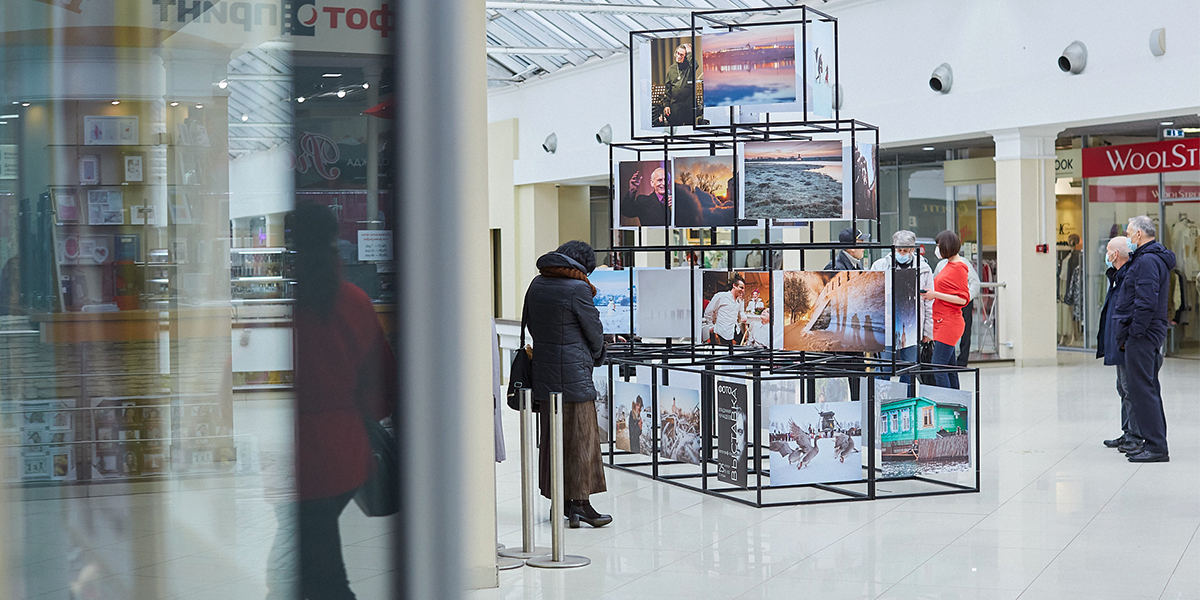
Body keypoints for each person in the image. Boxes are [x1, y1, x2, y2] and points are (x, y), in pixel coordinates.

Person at [273, 202, 397, 600]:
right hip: (346, 451)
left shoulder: (286, 307)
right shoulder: (354, 301)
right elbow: (383, 388)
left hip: (298, 458)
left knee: (314, 573)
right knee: (311, 565)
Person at [524, 240, 613, 526]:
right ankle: (581, 505)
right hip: (574, 376)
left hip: (545, 375)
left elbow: (531, 325)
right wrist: (597, 354)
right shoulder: (577, 288)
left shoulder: (537, 284)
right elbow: (594, 330)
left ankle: (561, 503)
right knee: (582, 439)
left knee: (554, 439)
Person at [1112, 216, 1176, 463]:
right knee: (1147, 390)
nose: (1127, 237)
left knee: (1143, 391)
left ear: (1139, 234)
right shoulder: (1149, 258)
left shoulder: (1147, 260)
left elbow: (1146, 301)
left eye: (1129, 233)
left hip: (1143, 335)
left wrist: (1134, 332)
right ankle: (1153, 442)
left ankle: (1156, 447)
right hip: (1146, 333)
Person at [1096, 236, 1142, 454]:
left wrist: (1125, 339)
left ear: (1115, 255)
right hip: (1118, 341)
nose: (1106, 254)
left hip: (1126, 342)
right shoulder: (1117, 277)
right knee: (1122, 388)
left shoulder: (1128, 278)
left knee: (1129, 388)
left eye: (1108, 251)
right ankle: (1127, 432)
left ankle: (1135, 436)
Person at [870, 230, 934, 383]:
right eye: (899, 250)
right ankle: (880, 396)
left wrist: (927, 331)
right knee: (884, 367)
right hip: (886, 328)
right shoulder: (880, 265)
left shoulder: (924, 269)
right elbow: (871, 298)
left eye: (906, 250)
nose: (902, 253)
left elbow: (928, 303)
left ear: (913, 249)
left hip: (912, 327)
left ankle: (907, 397)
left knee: (909, 368)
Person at [920, 230, 970, 390]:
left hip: (949, 323)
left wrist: (935, 295)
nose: (937, 249)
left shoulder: (959, 267)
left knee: (938, 366)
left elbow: (963, 299)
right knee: (949, 366)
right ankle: (956, 400)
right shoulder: (949, 265)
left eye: (938, 245)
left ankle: (946, 400)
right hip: (943, 321)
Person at [934, 247, 980, 368]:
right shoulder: (941, 265)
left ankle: (962, 360)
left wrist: (966, 298)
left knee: (965, 332)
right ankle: (951, 360)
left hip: (962, 303)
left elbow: (975, 282)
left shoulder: (963, 263)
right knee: (947, 336)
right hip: (945, 305)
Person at [702, 274, 746, 346]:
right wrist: (710, 326)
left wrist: (743, 317)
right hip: (722, 333)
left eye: (744, 288)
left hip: (734, 330)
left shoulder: (739, 300)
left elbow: (741, 312)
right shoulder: (721, 296)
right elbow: (708, 311)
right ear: (734, 285)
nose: (743, 290)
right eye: (741, 287)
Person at [660, 43, 697, 127]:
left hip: (688, 106)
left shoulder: (690, 67)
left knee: (689, 129)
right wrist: (666, 105)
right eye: (677, 53)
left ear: (686, 56)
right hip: (676, 106)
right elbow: (668, 89)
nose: (678, 56)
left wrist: (689, 52)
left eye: (682, 55)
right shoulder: (672, 69)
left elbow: (695, 65)